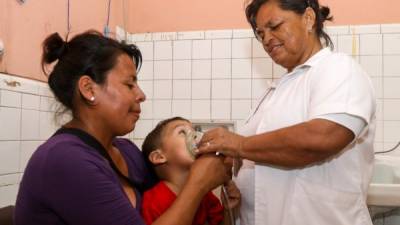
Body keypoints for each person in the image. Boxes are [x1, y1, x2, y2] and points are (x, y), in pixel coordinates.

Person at [14, 30, 231, 225]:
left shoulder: (126, 151)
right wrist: (199, 184)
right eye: (129, 84)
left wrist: (216, 174)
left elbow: (173, 191)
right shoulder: (64, 159)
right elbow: (188, 194)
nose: (141, 95)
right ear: (89, 89)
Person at [197, 0, 376, 225]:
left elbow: (324, 136)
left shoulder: (338, 69)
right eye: (261, 34)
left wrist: (239, 145)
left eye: (275, 26)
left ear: (308, 18)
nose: (267, 39)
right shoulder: (275, 91)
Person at [141, 117, 240, 225]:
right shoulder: (153, 201)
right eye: (182, 132)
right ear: (159, 157)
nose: (195, 136)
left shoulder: (205, 194)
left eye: (193, 131)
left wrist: (227, 209)